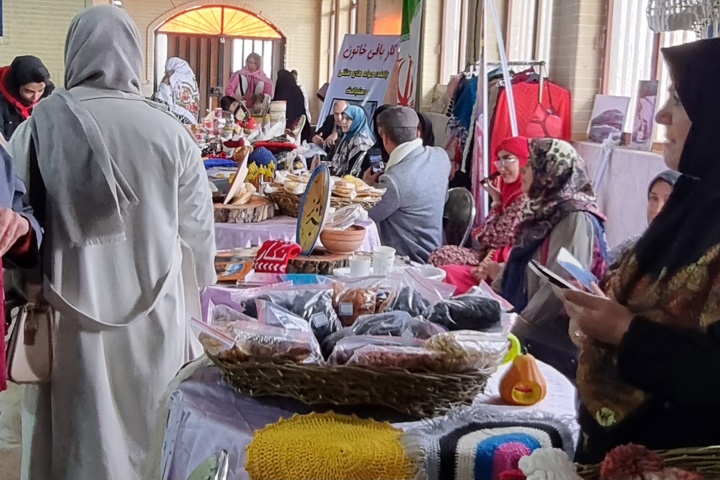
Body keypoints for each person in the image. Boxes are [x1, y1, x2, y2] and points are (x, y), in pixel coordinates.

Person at [8, 6, 216, 480]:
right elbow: (201, 241)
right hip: (156, 312)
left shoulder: (39, 128)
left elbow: (16, 228)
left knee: (78, 440)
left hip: (68, 321)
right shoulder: (171, 132)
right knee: (149, 430)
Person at [561, 37, 720, 463]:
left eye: (679, 101)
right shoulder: (693, 199)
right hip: (620, 450)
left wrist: (624, 333)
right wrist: (601, 321)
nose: (662, 115)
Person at [487, 139, 608, 380]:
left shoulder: (575, 218)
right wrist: (491, 301)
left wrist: (517, 330)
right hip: (525, 321)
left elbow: (561, 286)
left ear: (550, 171)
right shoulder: (540, 209)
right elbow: (517, 262)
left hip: (554, 335)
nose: (523, 170)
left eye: (531, 164)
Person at [429, 137, 531, 293]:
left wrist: (496, 203)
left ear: (525, 161)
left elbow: (488, 237)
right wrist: (497, 199)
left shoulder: (524, 200)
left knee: (441, 265)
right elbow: (488, 237)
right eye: (499, 161)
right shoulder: (511, 194)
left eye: (508, 159)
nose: (502, 168)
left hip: (501, 267)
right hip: (488, 256)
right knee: (440, 256)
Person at [363, 106, 451, 263]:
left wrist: (367, 185)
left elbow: (366, 215)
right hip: (437, 251)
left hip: (409, 261)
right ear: (417, 132)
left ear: (385, 138)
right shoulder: (441, 156)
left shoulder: (393, 181)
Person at [608, 169, 680, 264]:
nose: (657, 209)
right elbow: (600, 270)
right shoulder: (630, 248)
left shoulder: (688, 259)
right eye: (654, 198)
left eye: (668, 201)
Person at [0, 55, 54, 140]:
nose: (35, 97)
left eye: (40, 90)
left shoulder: (50, 96)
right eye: (29, 91)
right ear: (15, 86)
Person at [330, 104, 375, 177]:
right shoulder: (346, 139)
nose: (343, 121)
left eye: (348, 118)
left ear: (357, 120)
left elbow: (377, 171)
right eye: (343, 118)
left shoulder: (366, 143)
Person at [152, 57, 200, 124]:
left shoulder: (169, 78)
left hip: (175, 120)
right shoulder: (191, 79)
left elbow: (161, 101)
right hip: (190, 121)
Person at [273, 69, 312, 143]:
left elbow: (277, 109)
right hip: (302, 129)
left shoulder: (281, 92)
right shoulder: (297, 90)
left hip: (288, 131)